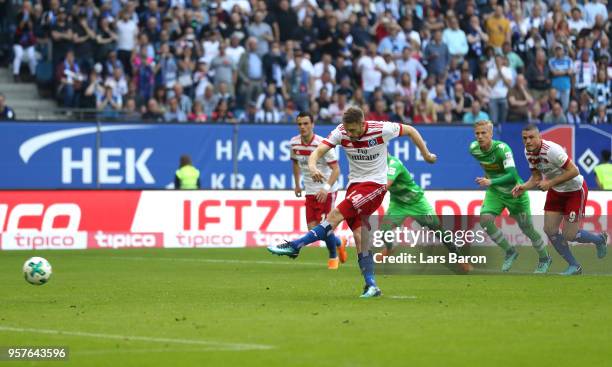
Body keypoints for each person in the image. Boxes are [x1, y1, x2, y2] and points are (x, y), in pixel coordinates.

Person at [268, 106, 437, 298]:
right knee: (359, 236)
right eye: (347, 130)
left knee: (335, 215)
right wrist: (313, 166)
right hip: (354, 186)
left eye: (353, 130)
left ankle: (296, 245)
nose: (349, 134)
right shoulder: (341, 132)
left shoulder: (381, 129)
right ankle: (371, 286)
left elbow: (410, 130)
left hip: (374, 186)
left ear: (362, 123)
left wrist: (426, 154)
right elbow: (319, 151)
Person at [512, 124, 608, 275]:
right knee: (550, 230)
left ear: (540, 137)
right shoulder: (528, 152)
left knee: (569, 235)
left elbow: (575, 171)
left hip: (575, 190)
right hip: (556, 191)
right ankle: (574, 266)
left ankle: (599, 240)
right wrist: (524, 186)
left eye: (531, 137)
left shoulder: (552, 150)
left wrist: (549, 183)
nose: (528, 141)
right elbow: (537, 177)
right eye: (525, 138)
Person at [470, 120, 551, 273]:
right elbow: (485, 164)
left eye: (483, 133)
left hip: (515, 192)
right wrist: (491, 180)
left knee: (527, 229)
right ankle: (510, 251)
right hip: (495, 192)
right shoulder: (473, 148)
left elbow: (512, 175)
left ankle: (545, 258)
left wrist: (490, 180)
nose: (480, 137)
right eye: (477, 133)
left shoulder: (502, 149)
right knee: (485, 221)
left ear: (491, 134)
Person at [379, 154, 470, 273]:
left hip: (417, 202)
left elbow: (385, 186)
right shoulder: (376, 166)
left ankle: (460, 258)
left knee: (438, 230)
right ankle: (390, 248)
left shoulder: (394, 164)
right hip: (398, 204)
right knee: (384, 231)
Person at [289, 112, 346, 270]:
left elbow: (336, 170)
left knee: (326, 226)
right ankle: (340, 242)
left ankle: (333, 256)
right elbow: (295, 163)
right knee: (313, 230)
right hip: (309, 191)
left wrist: (326, 188)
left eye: (306, 123)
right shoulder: (294, 143)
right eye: (300, 124)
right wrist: (297, 184)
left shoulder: (323, 144)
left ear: (312, 124)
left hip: (327, 190)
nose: (303, 127)